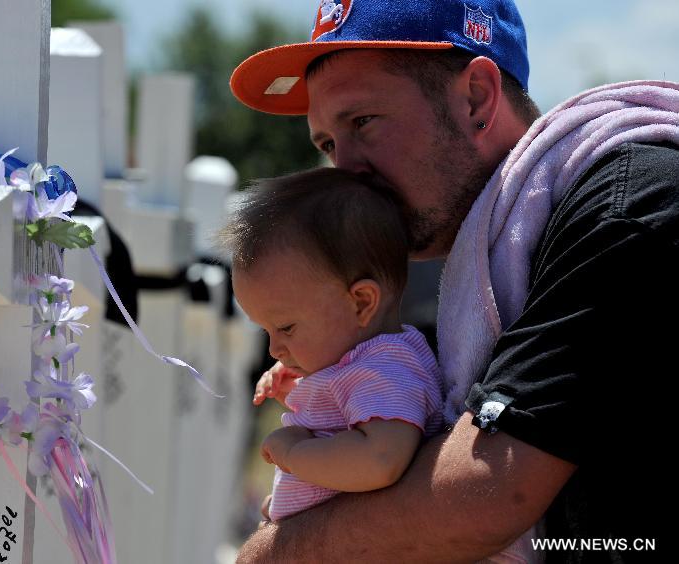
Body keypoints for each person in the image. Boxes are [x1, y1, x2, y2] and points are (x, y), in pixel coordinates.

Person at [228, 0, 679, 562]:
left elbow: (485, 492)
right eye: (326, 145)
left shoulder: (632, 206)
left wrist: (274, 554)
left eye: (362, 122)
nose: (343, 170)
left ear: (476, 99)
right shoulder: (518, 241)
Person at [222, 168, 446, 521]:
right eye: (267, 331)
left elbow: (380, 460)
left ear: (361, 303)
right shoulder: (361, 366)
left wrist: (295, 452)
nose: (274, 349)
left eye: (286, 328)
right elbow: (346, 424)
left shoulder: (386, 369)